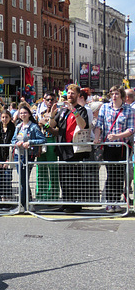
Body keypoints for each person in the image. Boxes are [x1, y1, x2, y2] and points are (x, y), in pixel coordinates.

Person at [93, 86, 135, 213]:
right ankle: (110, 202)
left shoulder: (128, 110)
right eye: (112, 94)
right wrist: (97, 137)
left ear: (122, 95)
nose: (114, 96)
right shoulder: (105, 108)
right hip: (108, 147)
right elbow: (99, 125)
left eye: (117, 94)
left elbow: (131, 129)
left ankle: (117, 201)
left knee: (120, 175)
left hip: (122, 146)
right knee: (111, 174)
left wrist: (117, 136)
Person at [48, 84, 89, 213]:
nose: (70, 95)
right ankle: (66, 203)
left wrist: (74, 111)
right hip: (62, 148)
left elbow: (83, 125)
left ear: (78, 95)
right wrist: (52, 113)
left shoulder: (81, 110)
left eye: (72, 93)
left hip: (75, 149)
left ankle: (75, 205)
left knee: (74, 178)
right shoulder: (63, 110)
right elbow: (52, 125)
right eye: (68, 93)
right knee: (64, 178)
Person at [11, 103, 46, 209]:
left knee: (23, 180)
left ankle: (24, 203)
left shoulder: (34, 127)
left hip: (28, 155)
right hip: (18, 156)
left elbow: (42, 139)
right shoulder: (18, 126)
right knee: (22, 180)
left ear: (29, 114)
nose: (23, 115)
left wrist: (30, 142)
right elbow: (13, 140)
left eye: (25, 113)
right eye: (21, 113)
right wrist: (16, 143)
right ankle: (26, 203)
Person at [0, 109, 16, 203]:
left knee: (7, 178)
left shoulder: (12, 128)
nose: (4, 119)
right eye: (3, 117)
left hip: (8, 156)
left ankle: (8, 198)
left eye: (6, 117)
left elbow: (12, 143)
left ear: (10, 118)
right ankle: (1, 198)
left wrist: (8, 160)